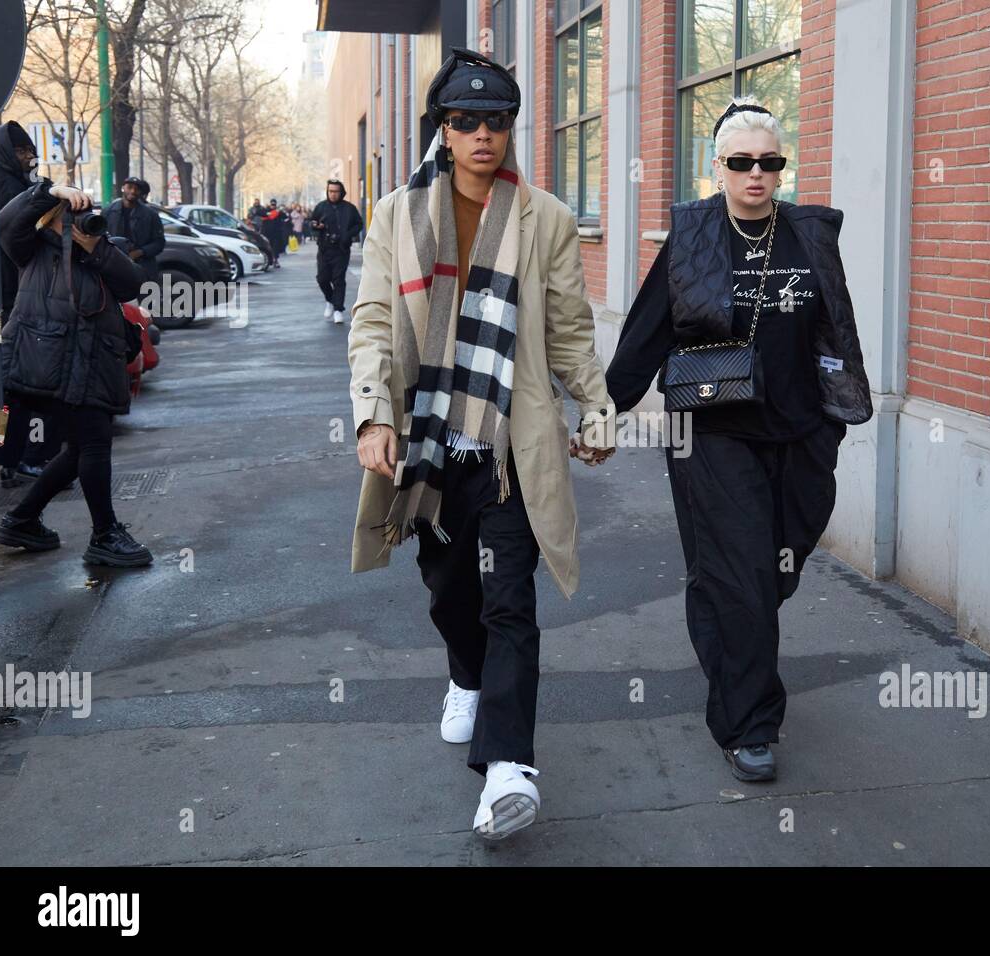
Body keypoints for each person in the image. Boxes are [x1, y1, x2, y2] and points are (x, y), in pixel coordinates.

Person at [348, 47, 614, 841]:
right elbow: (370, 322)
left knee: (510, 604)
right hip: (426, 447)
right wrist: (373, 415)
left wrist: (594, 406)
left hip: (506, 451)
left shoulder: (548, 220)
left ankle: (508, 770)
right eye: (465, 122)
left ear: (509, 128)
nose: (482, 135)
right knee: (446, 592)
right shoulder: (397, 214)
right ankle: (464, 674)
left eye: (496, 120)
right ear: (443, 129)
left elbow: (568, 331)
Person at [603, 98, 872, 784]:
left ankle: (730, 630)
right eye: (742, 162)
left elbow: (833, 325)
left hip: (802, 430)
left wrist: (836, 416)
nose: (757, 174)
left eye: (770, 162)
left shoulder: (810, 235)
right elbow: (646, 332)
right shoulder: (693, 237)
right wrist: (605, 410)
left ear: (782, 170)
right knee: (743, 576)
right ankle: (750, 723)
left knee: (772, 570)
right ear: (717, 168)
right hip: (712, 431)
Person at [0, 178, 154, 567]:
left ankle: (22, 519)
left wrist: (96, 250)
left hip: (90, 364)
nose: (74, 223)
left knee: (81, 448)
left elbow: (132, 284)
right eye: (66, 216)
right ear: (49, 218)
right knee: (94, 444)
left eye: (80, 216)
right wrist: (52, 192)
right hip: (48, 364)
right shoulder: (29, 249)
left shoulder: (99, 249)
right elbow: (5, 220)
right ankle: (104, 534)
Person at [0, 121, 61, 486]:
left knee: (3, 388)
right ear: (6, 152)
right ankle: (13, 459)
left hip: (6, 302)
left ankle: (6, 458)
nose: (29, 156)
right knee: (15, 387)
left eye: (30, 150)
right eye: (21, 151)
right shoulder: (7, 189)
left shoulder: (12, 185)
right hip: (8, 304)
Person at [309, 179, 362, 325]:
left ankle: (338, 309)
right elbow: (312, 222)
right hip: (324, 249)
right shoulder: (321, 207)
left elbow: (359, 224)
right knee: (322, 279)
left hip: (341, 249)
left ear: (341, 192)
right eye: (330, 191)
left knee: (338, 280)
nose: (333, 194)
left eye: (335, 191)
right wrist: (316, 226)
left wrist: (347, 235)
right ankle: (330, 300)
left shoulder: (349, 208)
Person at [102, 175, 164, 283]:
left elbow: (159, 242)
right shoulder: (108, 212)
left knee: (145, 298)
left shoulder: (150, 215)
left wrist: (140, 252)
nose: (133, 191)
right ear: (123, 188)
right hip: (114, 266)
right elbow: (100, 238)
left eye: (137, 189)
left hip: (142, 267)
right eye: (129, 187)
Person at [260, 198, 288, 268]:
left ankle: (275, 260)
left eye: (274, 205)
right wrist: (268, 213)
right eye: (272, 205)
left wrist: (280, 211)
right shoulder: (266, 211)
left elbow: (285, 217)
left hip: (276, 233)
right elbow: (260, 213)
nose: (273, 206)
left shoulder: (278, 212)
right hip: (267, 233)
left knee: (275, 248)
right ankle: (269, 261)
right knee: (268, 247)